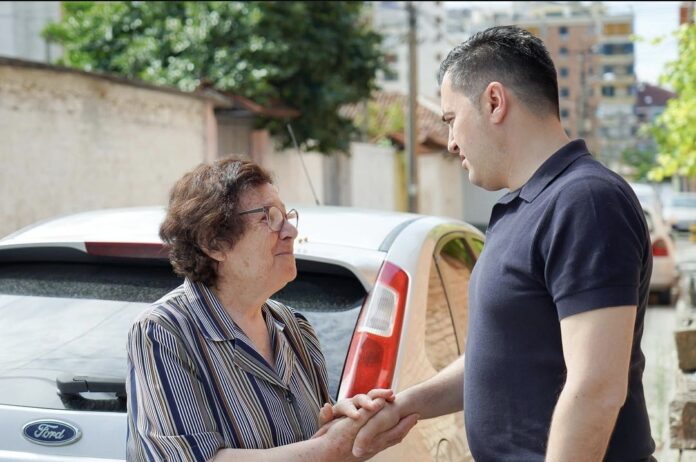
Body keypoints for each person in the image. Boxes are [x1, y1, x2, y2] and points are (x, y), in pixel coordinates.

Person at [341, 25, 656, 461]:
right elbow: (501, 359)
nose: (450, 142)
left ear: (494, 101)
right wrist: (404, 406)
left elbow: (596, 387)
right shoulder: (523, 207)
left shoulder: (585, 201)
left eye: (451, 120)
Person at [125, 157, 417, 461]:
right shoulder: (163, 331)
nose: (290, 231)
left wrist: (345, 425)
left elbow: (313, 447)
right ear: (214, 244)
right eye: (270, 218)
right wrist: (328, 448)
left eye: (287, 216)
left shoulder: (294, 327)